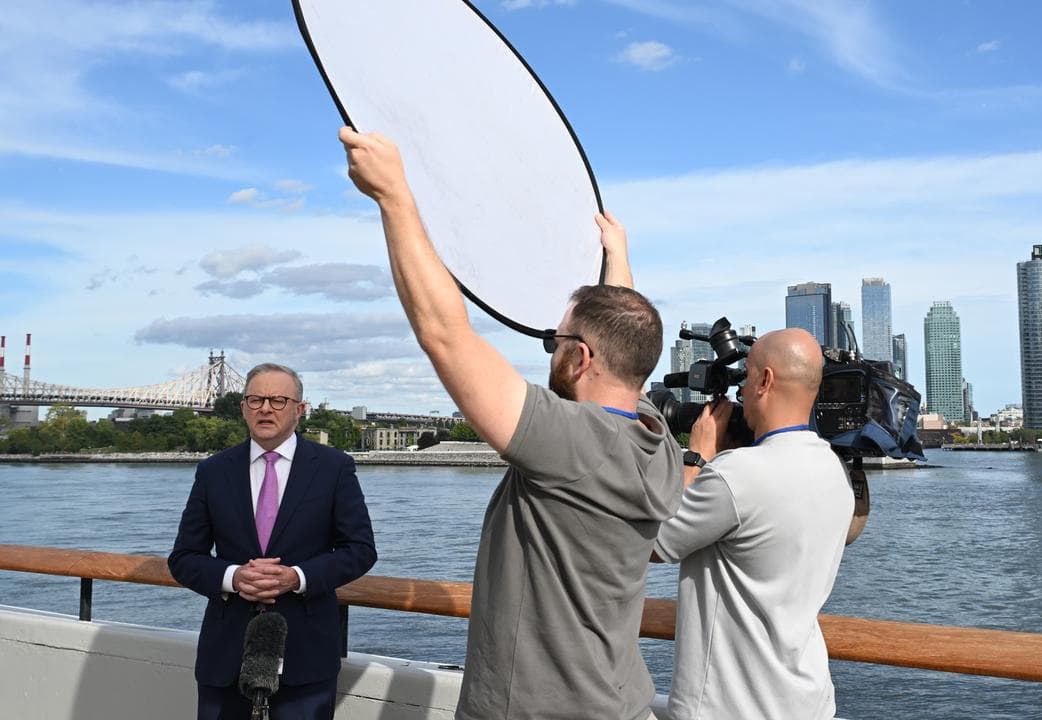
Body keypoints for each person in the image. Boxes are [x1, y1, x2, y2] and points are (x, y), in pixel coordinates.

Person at [339, 127, 682, 720]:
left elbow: (446, 335)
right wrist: (617, 255)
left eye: (557, 339)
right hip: (619, 703)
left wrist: (394, 197)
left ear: (580, 358)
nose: (550, 349)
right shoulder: (656, 440)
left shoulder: (574, 443)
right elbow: (624, 337)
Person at [653, 329, 856, 720]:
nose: (739, 390)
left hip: (728, 708)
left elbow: (654, 543)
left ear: (765, 380)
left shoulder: (738, 475)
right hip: (808, 703)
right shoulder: (835, 470)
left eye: (745, 377)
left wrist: (696, 457)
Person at [169, 363, 377, 720]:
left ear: (300, 409)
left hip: (307, 653)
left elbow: (360, 549)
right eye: (256, 399)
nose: (265, 408)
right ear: (243, 408)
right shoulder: (213, 471)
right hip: (226, 654)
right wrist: (232, 577)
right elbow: (184, 557)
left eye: (278, 400)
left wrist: (298, 577)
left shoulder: (334, 467)